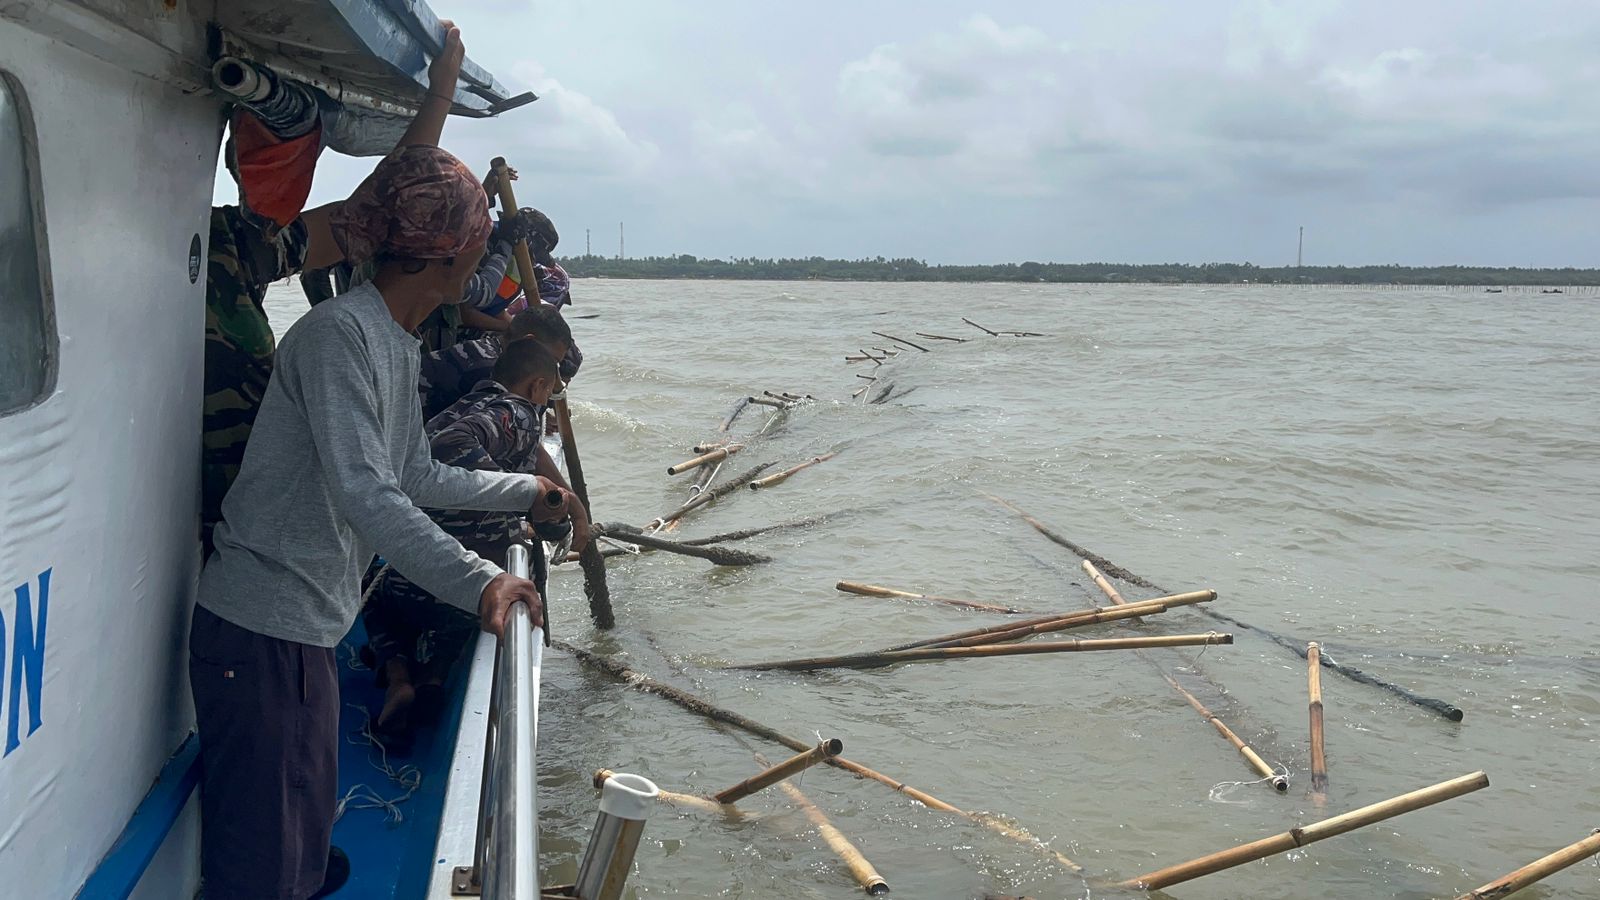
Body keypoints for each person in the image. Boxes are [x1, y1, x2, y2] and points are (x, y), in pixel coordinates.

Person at [188, 25, 569, 900]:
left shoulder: (389, 340)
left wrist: (526, 485)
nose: (484, 247)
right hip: (263, 629)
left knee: (307, 853)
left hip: (309, 625)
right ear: (451, 253)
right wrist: (482, 582)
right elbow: (369, 494)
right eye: (476, 232)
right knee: (263, 874)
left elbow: (415, 474)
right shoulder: (340, 338)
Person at [364, 340, 582, 745]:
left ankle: (398, 675)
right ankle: (434, 675)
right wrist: (513, 499)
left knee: (381, 599)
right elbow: (451, 446)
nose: (547, 405)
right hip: (457, 593)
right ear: (537, 387)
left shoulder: (466, 402)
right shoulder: (516, 414)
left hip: (415, 580)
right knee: (461, 612)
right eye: (550, 394)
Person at [418, 302, 575, 419]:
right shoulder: (489, 370)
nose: (552, 370)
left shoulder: (491, 348)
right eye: (552, 360)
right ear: (529, 342)